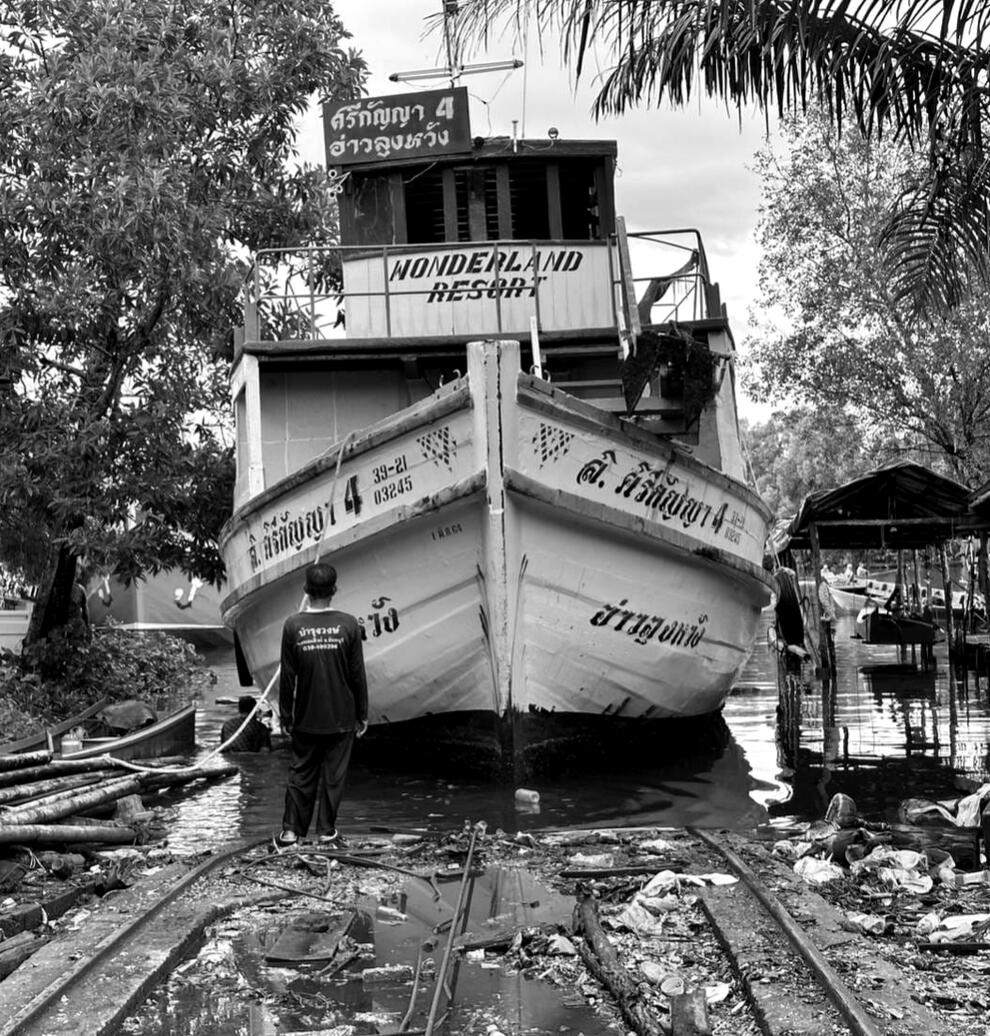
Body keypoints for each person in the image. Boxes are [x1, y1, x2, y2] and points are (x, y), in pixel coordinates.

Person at [278, 562, 368, 848]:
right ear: (334, 590)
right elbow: (357, 674)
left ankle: (291, 833)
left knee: (301, 773)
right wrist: (363, 713)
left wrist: (286, 716)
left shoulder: (293, 625)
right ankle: (326, 831)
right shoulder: (349, 624)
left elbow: (287, 675)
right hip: (342, 716)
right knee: (334, 776)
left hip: (306, 716)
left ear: (306, 590)